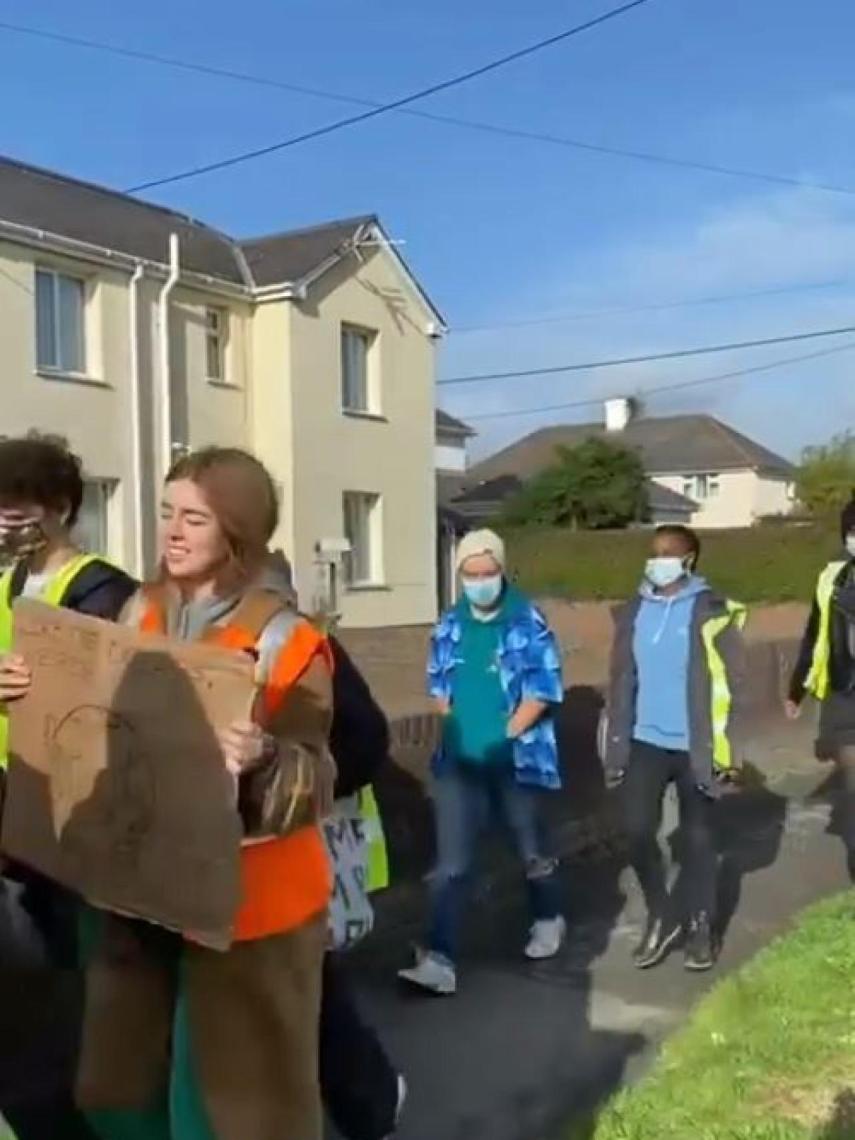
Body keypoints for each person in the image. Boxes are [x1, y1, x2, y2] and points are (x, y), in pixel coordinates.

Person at [69, 446, 334, 1140]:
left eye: (195, 518)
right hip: (144, 892)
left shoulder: (288, 638)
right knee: (124, 1085)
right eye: (166, 514)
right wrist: (31, 696)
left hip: (251, 912)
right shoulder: (136, 610)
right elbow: (97, 723)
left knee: (237, 1110)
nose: (172, 532)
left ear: (237, 533)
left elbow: (316, 771)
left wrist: (266, 757)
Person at [0, 433, 136, 1140]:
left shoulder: (101, 589)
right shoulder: (7, 583)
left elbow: (119, 702)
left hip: (71, 817)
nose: (1, 521)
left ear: (56, 509)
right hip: (14, 807)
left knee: (63, 976)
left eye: (13, 507)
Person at [258, 552, 405, 1140]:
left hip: (298, 850)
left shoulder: (311, 649)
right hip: (243, 856)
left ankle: (370, 1105)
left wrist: (298, 784)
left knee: (311, 994)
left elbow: (367, 738)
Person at [399, 529, 565, 996]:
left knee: (531, 846)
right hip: (459, 760)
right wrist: (455, 727)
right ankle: (440, 958)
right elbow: (438, 687)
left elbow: (543, 687)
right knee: (451, 863)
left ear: (501, 570)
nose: (479, 582)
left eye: (486, 573)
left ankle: (548, 916)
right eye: (470, 575)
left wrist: (507, 732)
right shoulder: (449, 623)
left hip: (517, 757)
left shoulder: (526, 620)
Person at [604, 525, 747, 972]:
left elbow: (733, 682)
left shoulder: (711, 610)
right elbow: (621, 678)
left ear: (690, 561)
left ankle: (702, 927)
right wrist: (615, 741)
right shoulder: (635, 611)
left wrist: (729, 751)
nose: (658, 560)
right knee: (636, 830)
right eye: (654, 552)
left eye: (668, 553)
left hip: (696, 745)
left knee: (698, 839)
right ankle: (661, 912)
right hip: (645, 740)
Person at [787, 494, 855, 880]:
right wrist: (796, 687)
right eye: (852, 531)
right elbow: (815, 634)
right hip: (844, 692)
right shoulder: (831, 578)